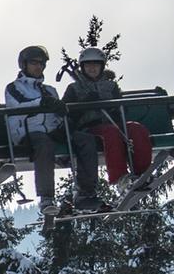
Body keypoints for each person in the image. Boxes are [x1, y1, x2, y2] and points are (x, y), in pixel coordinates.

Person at [4, 45, 101, 215]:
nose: (38, 67)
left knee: (84, 139)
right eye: (34, 63)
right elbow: (18, 105)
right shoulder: (14, 87)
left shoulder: (50, 90)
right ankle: (46, 197)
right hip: (27, 132)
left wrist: (64, 118)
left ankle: (86, 192)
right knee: (45, 144)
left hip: (51, 130)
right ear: (24, 65)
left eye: (41, 63)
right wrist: (41, 103)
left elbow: (57, 114)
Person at [62, 46, 154, 185]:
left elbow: (121, 106)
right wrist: (84, 105)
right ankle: (120, 177)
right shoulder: (74, 88)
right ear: (83, 67)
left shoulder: (110, 86)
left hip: (113, 123)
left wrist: (112, 108)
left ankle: (142, 172)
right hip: (90, 128)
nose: (92, 68)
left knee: (136, 129)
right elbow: (66, 112)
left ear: (101, 66)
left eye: (96, 65)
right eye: (88, 65)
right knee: (110, 133)